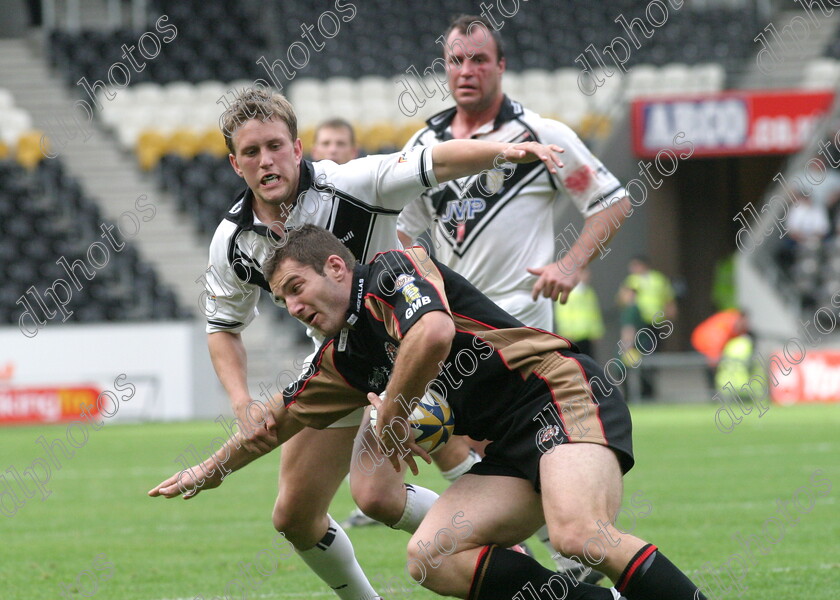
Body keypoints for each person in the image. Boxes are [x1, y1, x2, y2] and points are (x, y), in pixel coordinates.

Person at [150, 224, 709, 600]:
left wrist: (392, 412)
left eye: (297, 286)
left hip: (558, 393)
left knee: (577, 534)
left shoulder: (391, 272)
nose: (294, 306)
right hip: (507, 447)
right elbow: (272, 422)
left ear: (337, 268)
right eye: (282, 300)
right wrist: (209, 470)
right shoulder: (340, 358)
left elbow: (434, 332)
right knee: (430, 556)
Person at [196, 87, 564, 600]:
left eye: (275, 146)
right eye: (252, 153)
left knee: (380, 490)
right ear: (236, 164)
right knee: (295, 516)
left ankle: (528, 537)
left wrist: (504, 151)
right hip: (346, 365)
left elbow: (431, 162)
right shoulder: (233, 242)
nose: (267, 161)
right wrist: (240, 401)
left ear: (297, 148)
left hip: (415, 346)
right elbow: (223, 327)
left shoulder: (353, 184)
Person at [384, 13, 631, 581]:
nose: (465, 71)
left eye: (478, 59)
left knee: (523, 456)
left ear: (501, 66)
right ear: (443, 69)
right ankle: (556, 563)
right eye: (455, 60)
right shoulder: (426, 146)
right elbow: (400, 229)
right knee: (477, 461)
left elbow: (610, 201)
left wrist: (571, 264)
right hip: (456, 331)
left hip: (523, 330)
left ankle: (578, 554)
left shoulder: (540, 134)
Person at [310, 117, 479, 530]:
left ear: (353, 151)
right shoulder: (305, 214)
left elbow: (407, 248)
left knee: (443, 441)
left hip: (400, 336)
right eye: (325, 143)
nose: (332, 150)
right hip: (346, 350)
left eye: (340, 144)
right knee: (314, 498)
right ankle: (482, 523)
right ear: (313, 152)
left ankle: (494, 525)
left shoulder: (369, 191)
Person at [554, 267, 605, 357]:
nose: (588, 275)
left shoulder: (589, 291)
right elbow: (563, 314)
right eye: (584, 272)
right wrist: (566, 332)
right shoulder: (566, 292)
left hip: (588, 336)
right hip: (574, 336)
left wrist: (597, 332)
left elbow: (595, 313)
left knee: (589, 362)